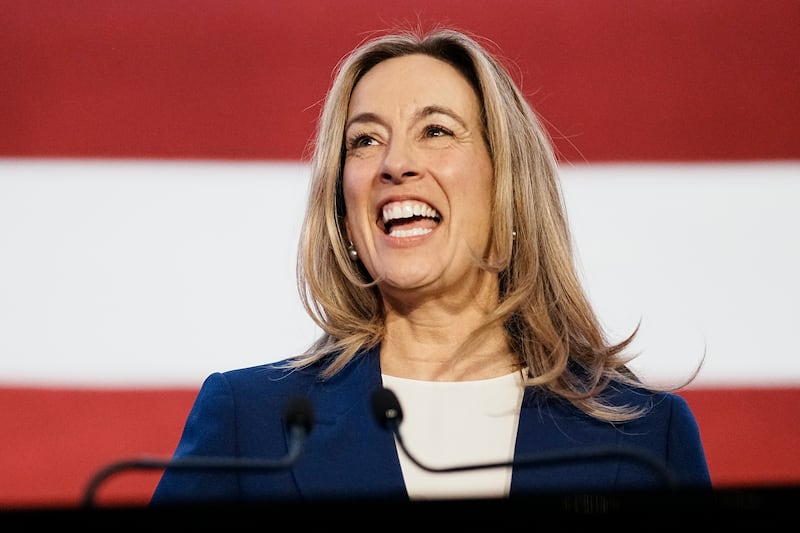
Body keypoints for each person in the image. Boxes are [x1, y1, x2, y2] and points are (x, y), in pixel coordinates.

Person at [150, 26, 711, 504]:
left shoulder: (644, 438)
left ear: (506, 188)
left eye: (436, 131)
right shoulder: (249, 425)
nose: (395, 164)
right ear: (344, 210)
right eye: (365, 140)